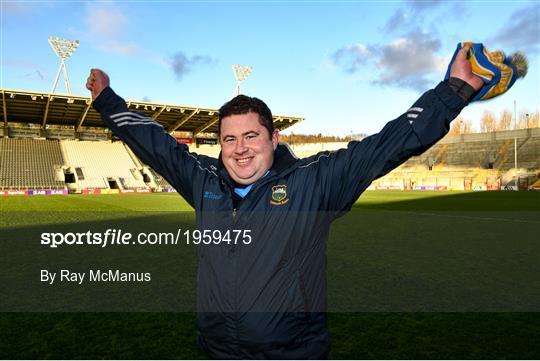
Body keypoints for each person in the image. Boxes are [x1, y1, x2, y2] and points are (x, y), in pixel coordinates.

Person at [87, 45, 482, 359]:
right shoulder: (202, 180)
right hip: (217, 351)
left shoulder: (312, 182)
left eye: (251, 136)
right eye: (229, 139)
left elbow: (384, 148)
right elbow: (154, 143)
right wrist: (106, 100)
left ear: (274, 139)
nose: (240, 149)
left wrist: (453, 92)